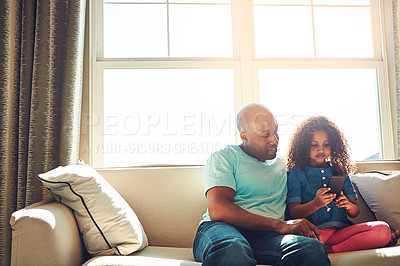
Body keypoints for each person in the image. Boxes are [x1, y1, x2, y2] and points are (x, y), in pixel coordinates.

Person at [192, 104, 331, 266]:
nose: (274, 139)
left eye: (276, 131)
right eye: (265, 135)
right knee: (234, 249)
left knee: (311, 249)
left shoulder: (285, 164)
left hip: (268, 237)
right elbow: (219, 209)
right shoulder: (225, 157)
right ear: (244, 137)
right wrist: (280, 225)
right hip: (223, 230)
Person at [286, 116, 399, 253]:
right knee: (299, 247)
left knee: (382, 229)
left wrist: (347, 204)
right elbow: (293, 212)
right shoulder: (298, 173)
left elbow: (355, 212)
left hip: (341, 233)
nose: (321, 150)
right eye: (314, 145)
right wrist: (316, 203)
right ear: (304, 146)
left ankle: (331, 250)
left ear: (333, 144)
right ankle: (368, 244)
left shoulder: (339, 171)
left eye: (326, 144)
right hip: (314, 233)